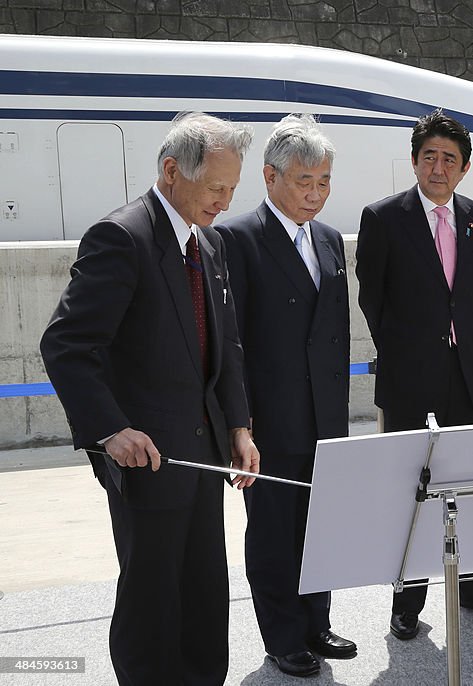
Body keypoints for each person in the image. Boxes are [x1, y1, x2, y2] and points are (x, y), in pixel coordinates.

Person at [39, 112, 260, 685]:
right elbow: (66, 345)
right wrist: (111, 430)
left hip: (204, 454)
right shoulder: (122, 238)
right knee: (152, 599)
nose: (224, 201)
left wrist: (238, 426)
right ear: (171, 171)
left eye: (233, 189)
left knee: (207, 594)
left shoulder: (208, 243)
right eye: (216, 188)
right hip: (147, 458)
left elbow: (226, 345)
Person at [356, 109, 473, 640]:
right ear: (415, 160)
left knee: (470, 486)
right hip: (410, 381)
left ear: (464, 168)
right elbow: (371, 299)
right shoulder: (383, 218)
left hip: (469, 376)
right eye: (430, 156)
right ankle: (407, 603)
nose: (438, 167)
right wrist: (405, 354)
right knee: (412, 493)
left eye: (450, 158)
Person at [216, 114, 355, 678]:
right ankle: (282, 636)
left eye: (324, 181)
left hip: (326, 418)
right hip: (270, 422)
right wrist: (239, 425)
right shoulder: (237, 238)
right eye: (305, 181)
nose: (316, 194)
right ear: (270, 177)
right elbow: (231, 341)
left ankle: (316, 621)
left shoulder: (327, 238)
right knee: (274, 534)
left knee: (322, 526)